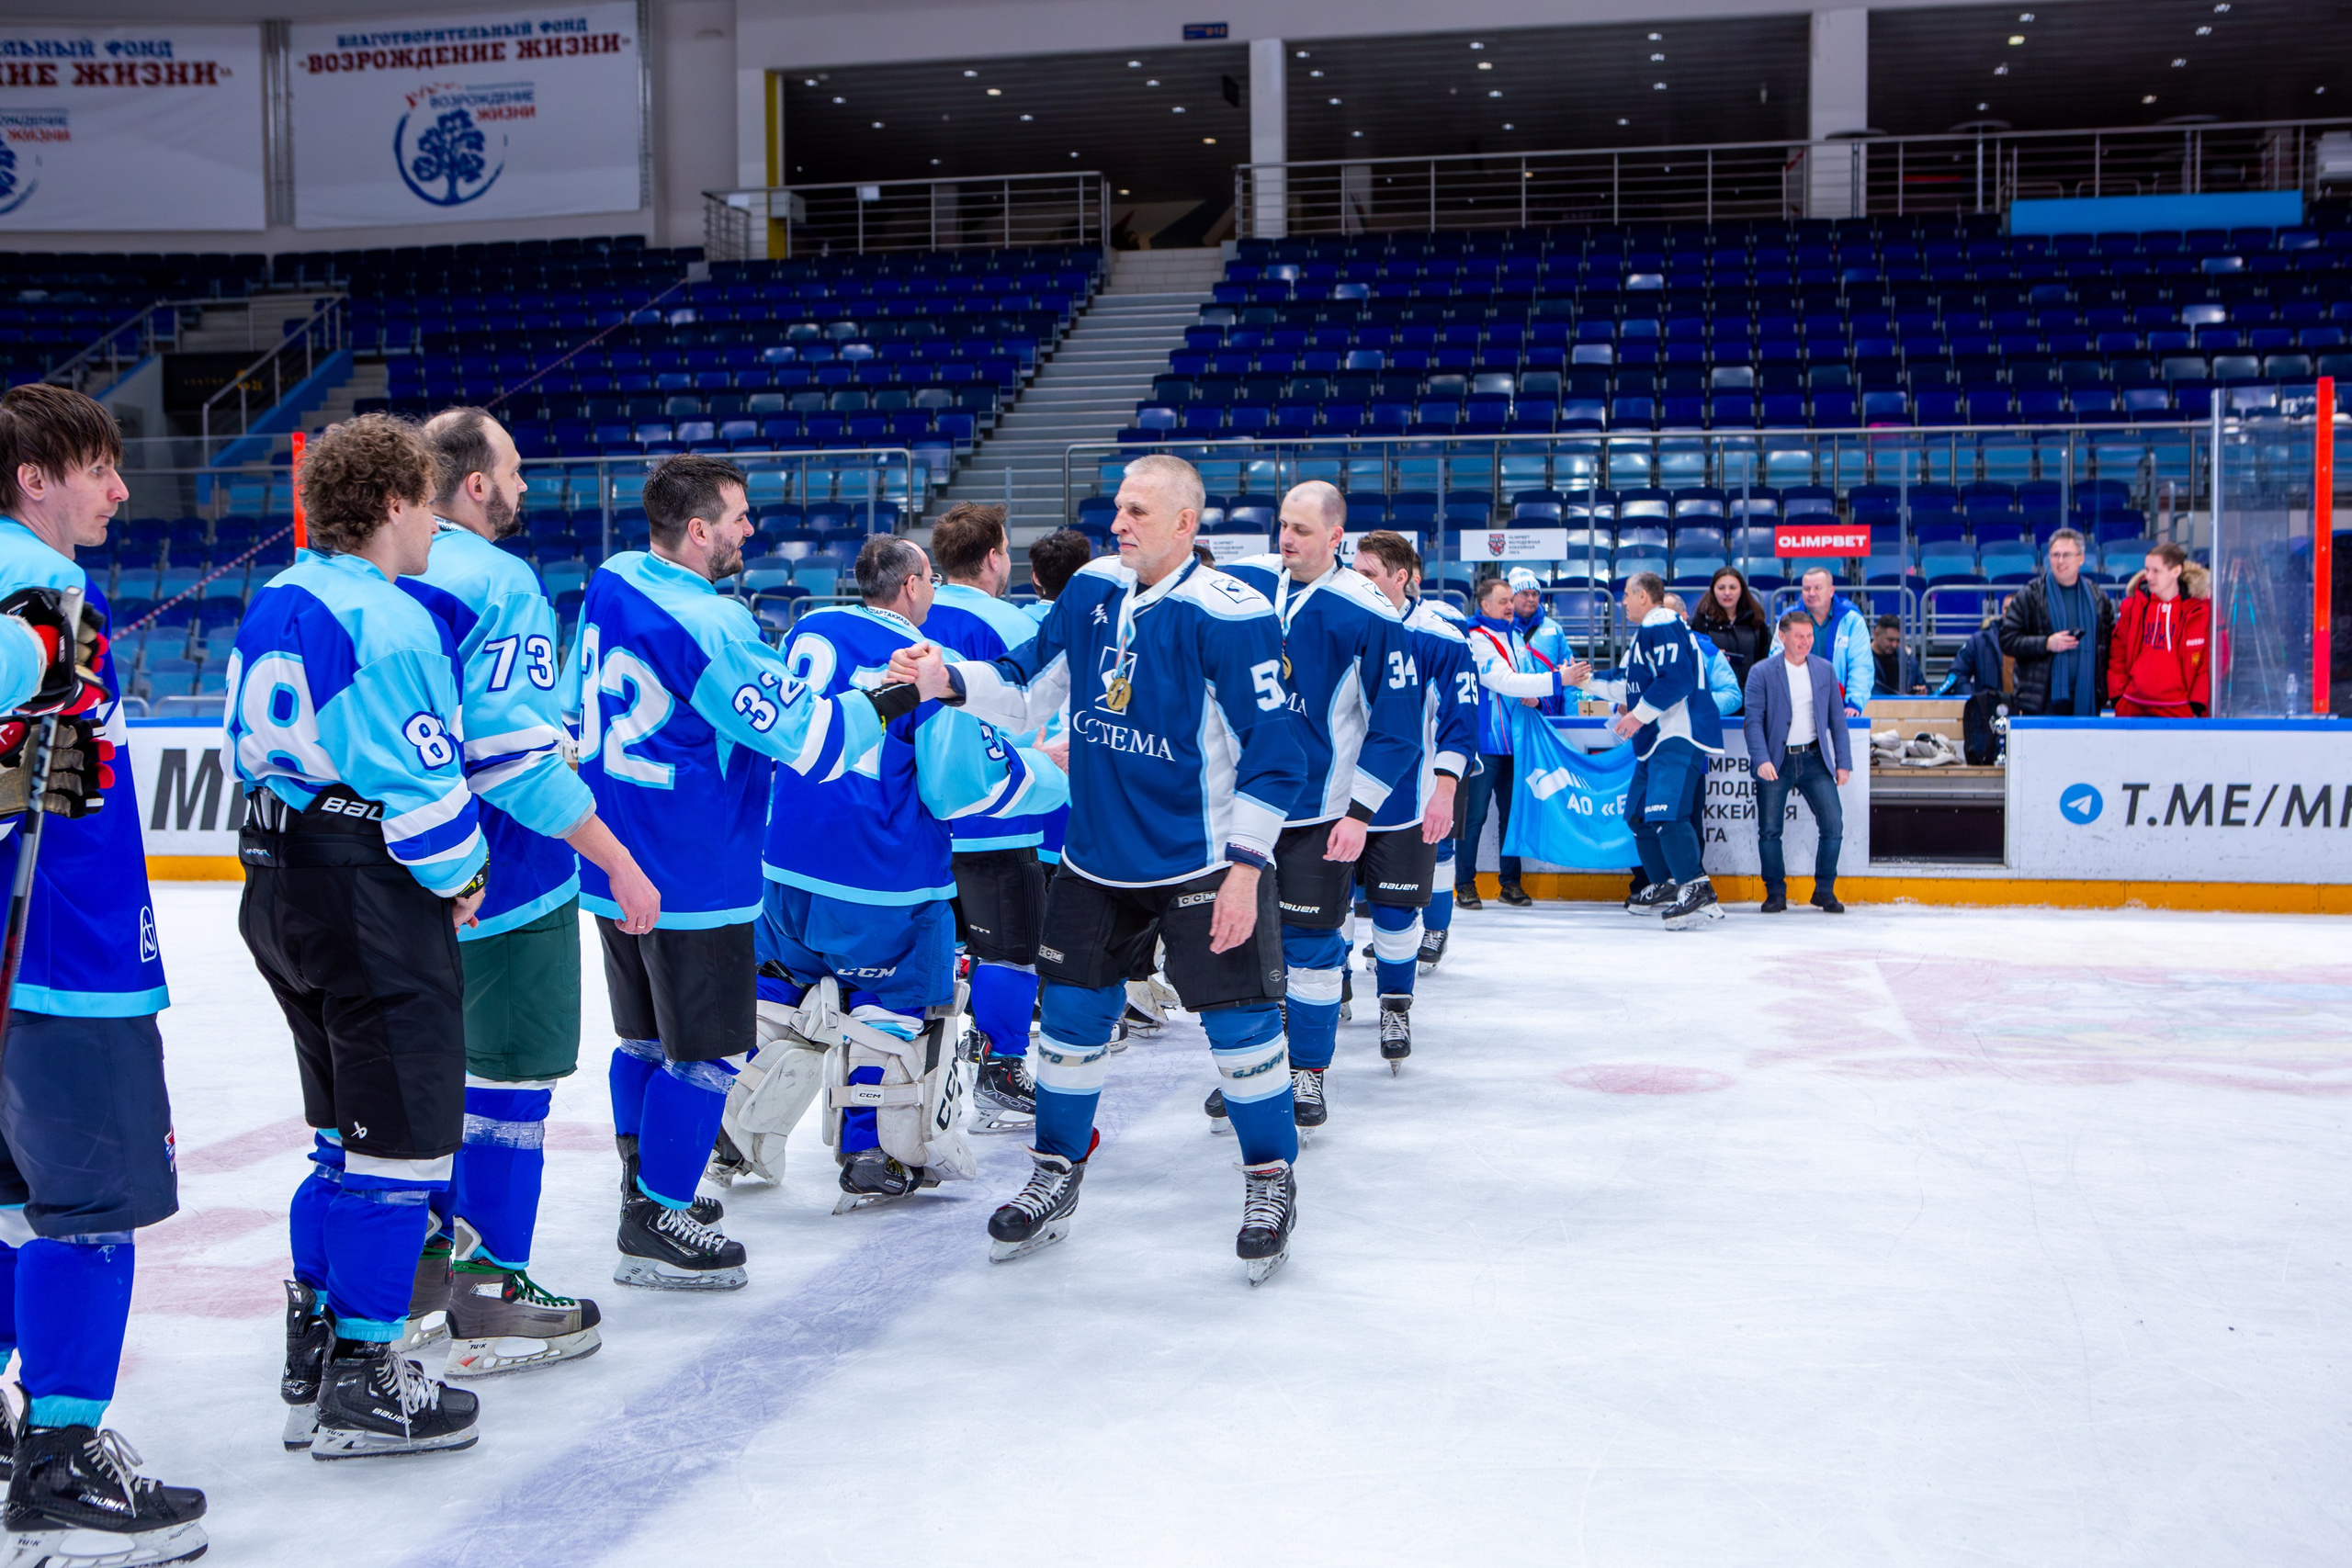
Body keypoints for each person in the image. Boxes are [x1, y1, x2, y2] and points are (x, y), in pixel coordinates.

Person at [887, 453, 1307, 1284]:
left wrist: (1249, 872)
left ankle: (1270, 1178)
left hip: (1203, 861)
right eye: (1118, 506)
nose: (1118, 522)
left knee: (1243, 1032)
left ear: (1186, 525)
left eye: (1138, 512)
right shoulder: (1087, 592)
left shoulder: (1229, 614)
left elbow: (1276, 754)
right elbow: (1025, 689)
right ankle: (1055, 1172)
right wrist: (945, 681)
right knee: (1071, 1029)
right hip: (1095, 863)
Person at [565, 455, 924, 1292]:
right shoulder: (714, 629)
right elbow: (814, 743)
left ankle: (644, 1185)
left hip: (612, 858)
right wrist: (893, 699)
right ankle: (656, 1214)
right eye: (738, 516)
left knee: (644, 1039)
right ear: (699, 530)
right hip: (693, 873)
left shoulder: (614, 577)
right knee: (711, 1057)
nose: (750, 529)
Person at [230, 413, 487, 1462]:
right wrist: (464, 873)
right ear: (390, 504)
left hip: (274, 879)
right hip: (366, 891)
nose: (434, 521)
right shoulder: (388, 619)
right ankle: (368, 1377)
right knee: (402, 1146)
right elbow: (420, 784)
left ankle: (317, 1351)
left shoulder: (279, 594)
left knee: (341, 1135)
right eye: (425, 501)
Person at [389, 407, 666, 1380]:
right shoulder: (497, 580)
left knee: (405, 1091)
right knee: (509, 1081)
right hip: (507, 880)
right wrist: (615, 856)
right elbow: (516, 765)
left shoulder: (367, 575)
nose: (525, 484)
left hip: (399, 884)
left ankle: (414, 1278)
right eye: (512, 467)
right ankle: (493, 1287)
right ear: (473, 483)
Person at [0, 383, 205, 1558]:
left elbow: (38, 771)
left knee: (18, 1209)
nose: (122, 491)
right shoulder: (41, 587)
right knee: (87, 1211)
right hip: (65, 959)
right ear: (37, 476)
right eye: (100, 468)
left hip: (32, 956)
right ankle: (64, 1462)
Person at [741, 534, 1064, 1206]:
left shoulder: (808, 626)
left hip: (787, 860)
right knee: (890, 1007)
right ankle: (873, 1150)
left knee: (779, 997)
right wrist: (1049, 774)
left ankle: (731, 1131)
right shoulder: (922, 660)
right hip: (881, 870)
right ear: (916, 584)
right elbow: (957, 786)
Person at [1222, 482, 1419, 1122]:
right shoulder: (1245, 588)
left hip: (1316, 815)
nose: (1286, 539)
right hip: (1238, 809)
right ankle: (1250, 1069)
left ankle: (1307, 1072)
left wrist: (1360, 813)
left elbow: (1397, 725)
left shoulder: (1368, 610)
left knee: (1309, 950)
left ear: (1337, 537)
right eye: (1282, 525)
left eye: (1302, 529)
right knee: (1236, 951)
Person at [921, 503, 1057, 1137]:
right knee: (1011, 951)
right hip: (996, 812)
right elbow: (1033, 716)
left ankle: (919, 1082)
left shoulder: (910, 612)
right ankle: (1000, 1068)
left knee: (936, 952)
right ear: (996, 556)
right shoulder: (1009, 621)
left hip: (922, 814)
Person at [1349, 530, 1476, 1059]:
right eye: (1353, 572)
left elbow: (1460, 720)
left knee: (1395, 918)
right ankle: (1327, 992)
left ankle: (1395, 1005)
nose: (1358, 583)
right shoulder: (1328, 622)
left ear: (1402, 578)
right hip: (1327, 803)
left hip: (1403, 803)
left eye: (1370, 574)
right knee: (1324, 915)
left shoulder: (1441, 638)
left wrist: (1444, 791)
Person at [1458, 572, 1588, 908]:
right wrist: (1558, 679)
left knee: (1513, 815)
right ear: (1484, 605)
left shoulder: (1514, 635)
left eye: (1509, 601)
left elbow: (1524, 679)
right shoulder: (1477, 637)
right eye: (1503, 601)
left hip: (1515, 742)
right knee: (1474, 817)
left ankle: (1510, 883)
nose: (1510, 606)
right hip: (1485, 744)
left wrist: (1536, 694)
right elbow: (1503, 680)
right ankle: (1464, 884)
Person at [1611, 571, 1725, 928]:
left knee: (1665, 815)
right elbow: (1626, 687)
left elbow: (1677, 680)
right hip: (1656, 741)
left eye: (1628, 595)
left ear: (1644, 597)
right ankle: (1666, 884)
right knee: (1640, 816)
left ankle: (1696, 889)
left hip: (1676, 735)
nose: (1623, 602)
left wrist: (1637, 717)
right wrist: (1581, 679)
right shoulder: (1647, 636)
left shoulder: (1659, 620)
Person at [1742, 611, 1854, 914]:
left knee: (1833, 824)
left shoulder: (1824, 670)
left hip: (1815, 758)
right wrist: (1761, 759)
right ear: (1783, 636)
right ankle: (1775, 892)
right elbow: (1752, 722)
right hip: (1777, 761)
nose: (1805, 642)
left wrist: (1843, 761)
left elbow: (1837, 721)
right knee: (1769, 830)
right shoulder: (1762, 672)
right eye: (1799, 636)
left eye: (1809, 636)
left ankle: (1824, 889)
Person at [1998, 527, 2114, 716]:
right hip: (2041, 702)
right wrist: (2046, 643)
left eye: (2066, 555)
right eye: (2055, 555)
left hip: (2088, 697)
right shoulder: (2030, 594)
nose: (2060, 561)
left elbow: (2108, 647)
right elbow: (2007, 640)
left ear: (2081, 558)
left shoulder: (2098, 597)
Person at [2107, 542, 2211, 717]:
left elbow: (2206, 663)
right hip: (2132, 707)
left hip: (2180, 711)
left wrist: (2196, 706)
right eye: (2147, 570)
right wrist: (2118, 699)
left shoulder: (2199, 611)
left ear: (2176, 571)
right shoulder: (2133, 607)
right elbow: (2118, 655)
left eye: (2156, 571)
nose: (2149, 576)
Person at [1769, 567, 1872, 715]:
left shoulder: (1852, 621)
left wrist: (1854, 703)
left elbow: (1861, 667)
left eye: (1817, 588)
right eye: (1806, 588)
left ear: (1831, 591)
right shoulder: (1787, 620)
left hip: (1840, 709)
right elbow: (1775, 662)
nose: (1811, 593)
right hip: (1796, 708)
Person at [1662, 592, 1744, 716]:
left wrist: (1691, 704)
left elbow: (1732, 696)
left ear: (1683, 617)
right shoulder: (1639, 649)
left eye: (1665, 615)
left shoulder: (1707, 651)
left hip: (1694, 730)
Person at [1691, 565, 1770, 688]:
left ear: (1742, 590)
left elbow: (1765, 660)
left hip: (1751, 690)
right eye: (1721, 588)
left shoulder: (1756, 620)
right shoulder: (1701, 621)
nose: (1727, 593)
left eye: (1733, 587)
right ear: (1713, 590)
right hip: (1715, 692)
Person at [1933, 611, 2007, 697]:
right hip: (1988, 707)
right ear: (2002, 610)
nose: (2011, 611)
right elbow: (1958, 674)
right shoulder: (1979, 640)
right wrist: (1974, 700)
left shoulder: (2025, 641)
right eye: (2007, 608)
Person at [1871, 614, 1928, 697]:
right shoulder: (1861, 661)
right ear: (1876, 634)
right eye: (1890, 640)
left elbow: (1925, 687)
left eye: (1898, 640)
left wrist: (1923, 691)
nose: (1895, 644)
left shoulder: (1909, 661)